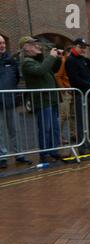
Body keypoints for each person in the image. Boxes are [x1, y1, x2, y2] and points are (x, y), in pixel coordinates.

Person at [20, 36, 62, 163]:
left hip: (51, 99)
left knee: (54, 127)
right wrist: (51, 57)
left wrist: (57, 59)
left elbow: (53, 69)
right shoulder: (27, 62)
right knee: (45, 128)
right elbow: (40, 71)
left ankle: (54, 151)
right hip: (42, 100)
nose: (37, 46)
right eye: (33, 44)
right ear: (26, 47)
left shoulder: (39, 60)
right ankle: (45, 153)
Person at [0, 35, 32, 169]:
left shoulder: (10, 60)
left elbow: (16, 78)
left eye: (3, 43)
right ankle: (2, 157)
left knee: (15, 130)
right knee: (0, 132)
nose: (2, 45)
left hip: (10, 101)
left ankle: (19, 154)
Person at [65, 38, 90, 154]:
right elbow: (74, 80)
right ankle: (82, 147)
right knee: (81, 121)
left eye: (84, 47)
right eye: (81, 47)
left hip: (88, 94)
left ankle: (88, 144)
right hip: (80, 94)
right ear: (74, 46)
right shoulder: (70, 60)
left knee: (89, 121)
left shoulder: (83, 59)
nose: (83, 49)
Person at [55, 47, 76, 145]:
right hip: (66, 91)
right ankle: (58, 136)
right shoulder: (64, 61)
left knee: (73, 114)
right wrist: (63, 88)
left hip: (73, 90)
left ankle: (73, 133)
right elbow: (58, 76)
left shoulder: (71, 61)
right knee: (64, 114)